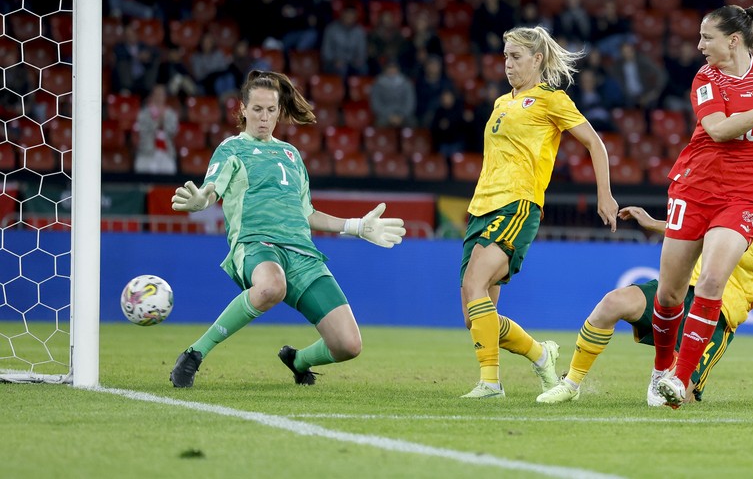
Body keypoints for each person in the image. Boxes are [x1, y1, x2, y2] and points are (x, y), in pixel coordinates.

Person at [537, 145, 753, 404]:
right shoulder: (726, 206)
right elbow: (691, 229)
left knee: (676, 400)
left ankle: (675, 378)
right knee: (613, 303)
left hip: (715, 318)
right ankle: (571, 383)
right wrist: (653, 223)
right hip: (682, 291)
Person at [168, 70, 406, 388]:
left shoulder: (291, 155)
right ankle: (195, 354)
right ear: (242, 109)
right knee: (270, 286)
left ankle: (297, 360)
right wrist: (201, 200)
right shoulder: (231, 149)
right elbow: (211, 188)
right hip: (256, 243)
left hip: (302, 254)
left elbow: (307, 213)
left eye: (270, 110)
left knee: (348, 345)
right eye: (257, 109)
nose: (264, 118)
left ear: (279, 111)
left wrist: (357, 226)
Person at [650, 0, 753, 409]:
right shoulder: (707, 78)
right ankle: (660, 369)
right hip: (696, 187)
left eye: (707, 37)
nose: (700, 45)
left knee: (713, 281)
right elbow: (718, 130)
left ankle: (678, 383)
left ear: (734, 40)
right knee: (669, 294)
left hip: (745, 193)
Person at [460, 26, 619, 399]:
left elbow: (595, 144)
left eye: (515, 57)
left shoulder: (551, 99)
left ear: (537, 60)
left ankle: (490, 384)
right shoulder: (502, 102)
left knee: (473, 285)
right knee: (474, 315)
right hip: (481, 207)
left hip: (517, 204)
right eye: (504, 56)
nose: (507, 64)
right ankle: (540, 354)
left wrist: (605, 194)